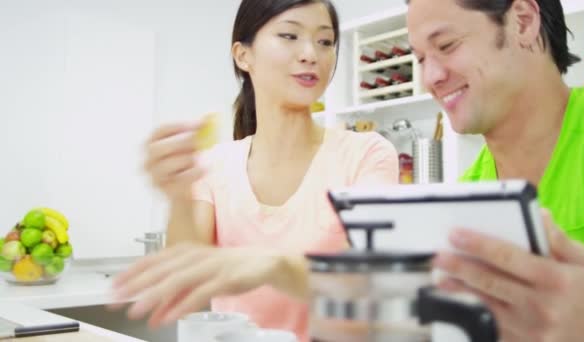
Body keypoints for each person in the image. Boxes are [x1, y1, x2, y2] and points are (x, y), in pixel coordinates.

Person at [110, 0, 398, 341]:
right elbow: (189, 280)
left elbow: (371, 282)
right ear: (243, 55)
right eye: (290, 35)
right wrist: (179, 195)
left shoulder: (367, 153)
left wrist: (275, 266)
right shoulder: (215, 165)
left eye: (325, 41)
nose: (310, 53)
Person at [406, 0, 584, 340]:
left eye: (446, 46)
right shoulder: (464, 199)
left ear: (523, 22)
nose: (431, 78)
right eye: (421, 58)